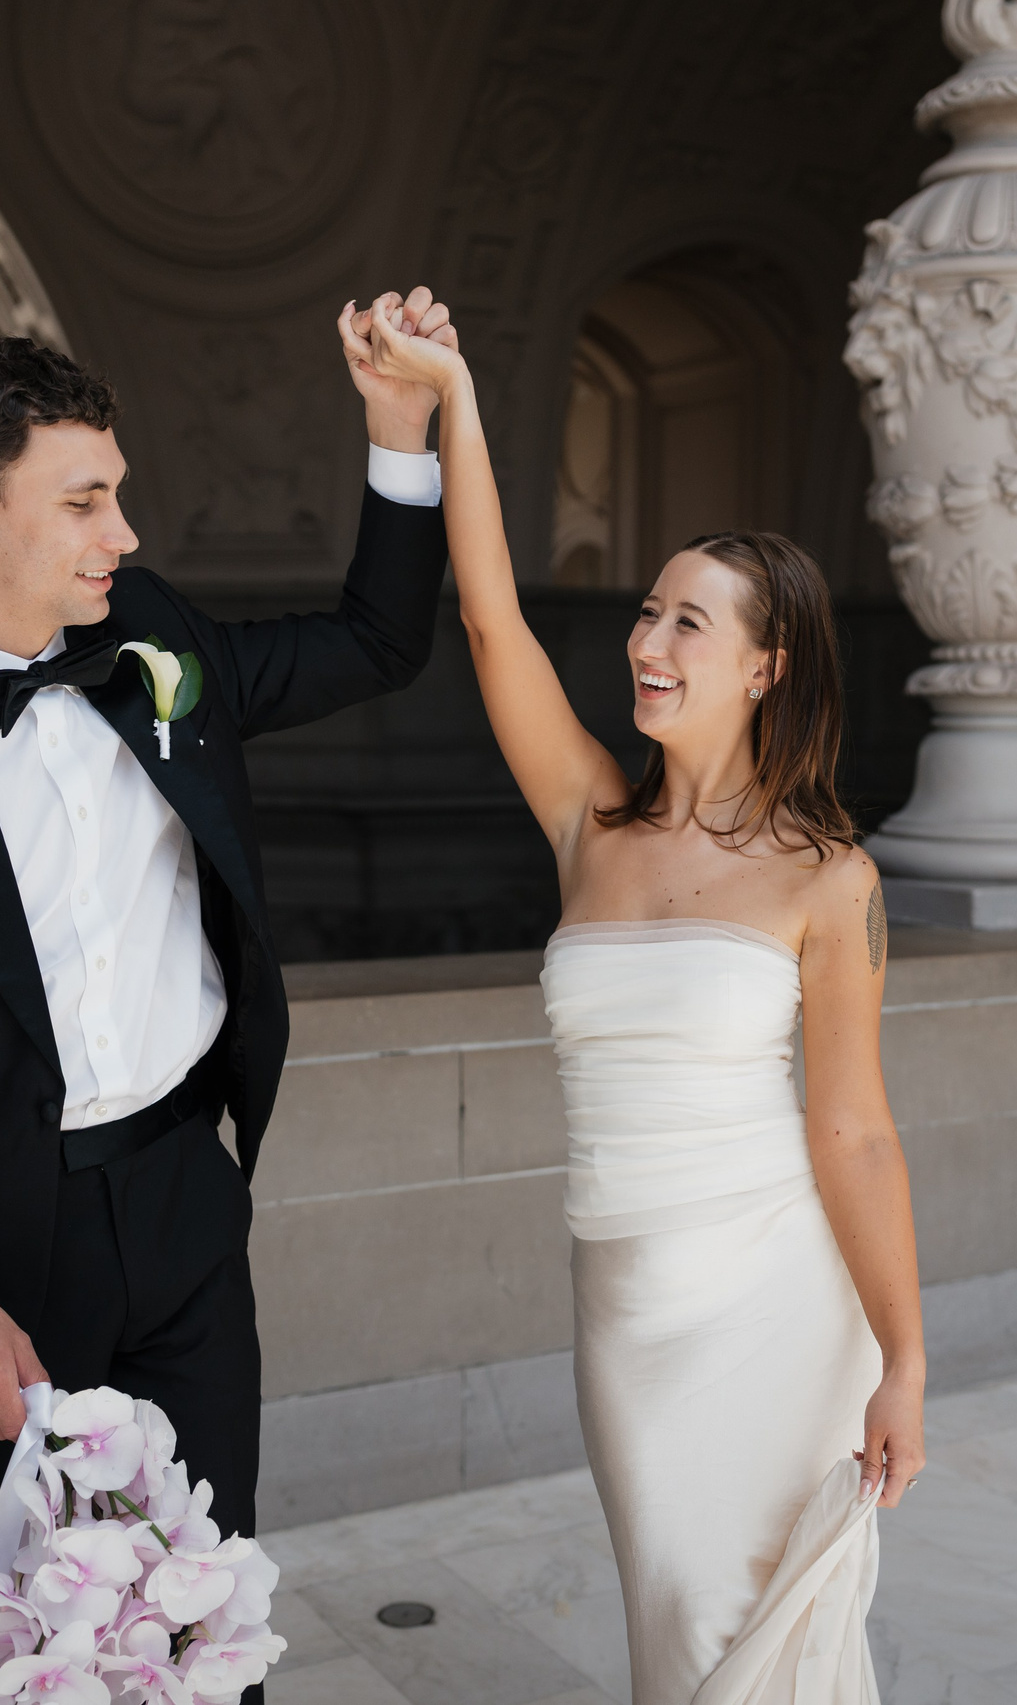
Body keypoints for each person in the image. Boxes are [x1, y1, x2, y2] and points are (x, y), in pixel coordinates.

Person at [0, 295, 457, 1684]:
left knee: (209, 1618)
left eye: (116, 496)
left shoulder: (158, 649)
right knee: (49, 1646)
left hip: (186, 1207)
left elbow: (377, 640)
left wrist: (400, 423)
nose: (122, 534)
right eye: (83, 502)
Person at [340, 303, 924, 1701]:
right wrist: (451, 399)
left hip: (781, 1297)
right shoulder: (590, 819)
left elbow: (853, 1131)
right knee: (679, 1617)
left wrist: (904, 1356)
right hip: (631, 1302)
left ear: (767, 666)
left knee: (758, 1632)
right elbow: (489, 620)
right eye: (649, 611)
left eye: (688, 622)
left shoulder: (827, 879)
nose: (648, 640)